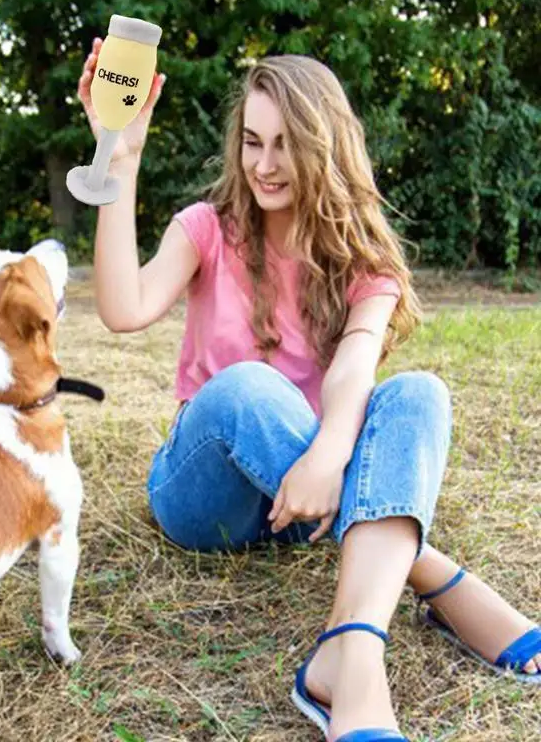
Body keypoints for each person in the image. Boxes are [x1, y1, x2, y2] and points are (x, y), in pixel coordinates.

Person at [76, 40, 541, 742]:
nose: (264, 166)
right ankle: (427, 571)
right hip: (207, 493)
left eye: (286, 146)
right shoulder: (208, 230)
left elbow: (355, 367)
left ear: (326, 148)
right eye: (252, 142)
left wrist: (328, 453)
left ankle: (347, 656)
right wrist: (122, 159)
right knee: (248, 388)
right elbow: (124, 308)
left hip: (305, 502)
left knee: (419, 393)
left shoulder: (365, 262)